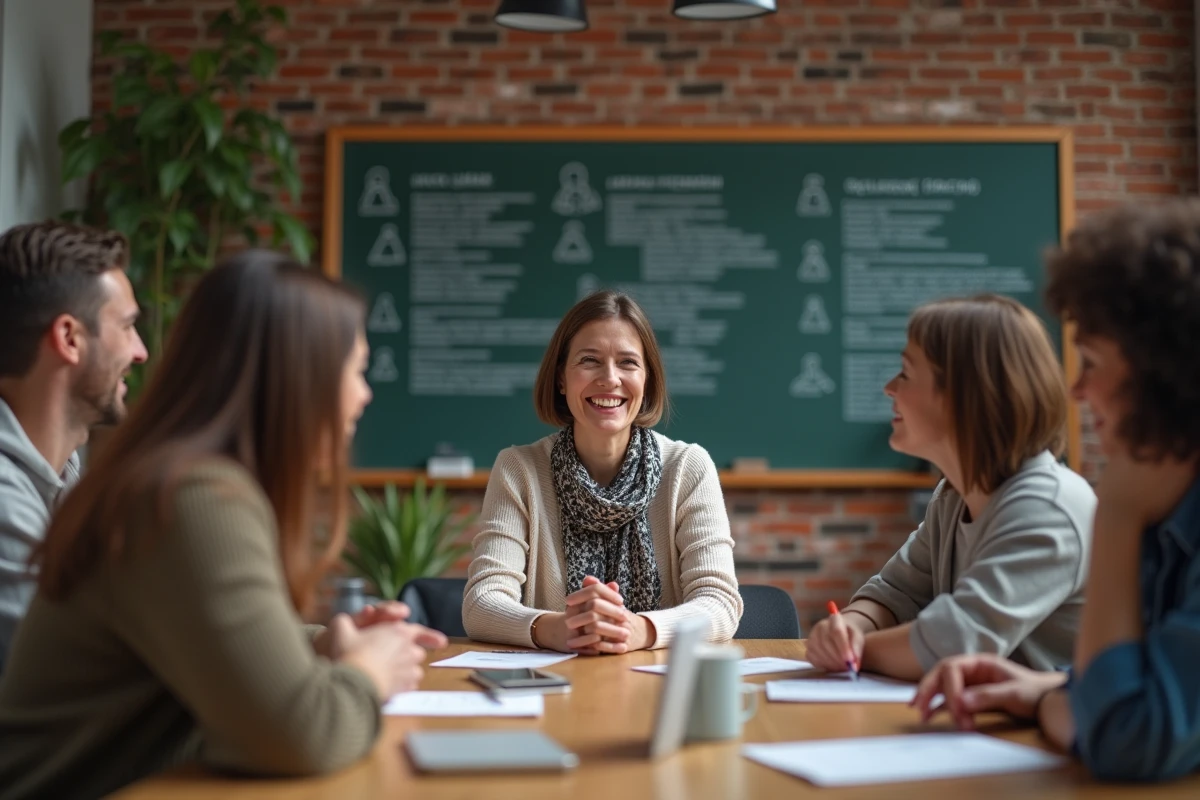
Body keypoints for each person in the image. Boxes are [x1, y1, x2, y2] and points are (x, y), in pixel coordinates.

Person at [0, 250, 447, 799]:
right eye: (355, 369)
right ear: (296, 375)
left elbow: (203, 638)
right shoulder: (193, 496)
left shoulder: (179, 479)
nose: (365, 393)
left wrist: (326, 644)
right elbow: (304, 736)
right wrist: (369, 673)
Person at [913, 200, 1200, 783]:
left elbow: (1126, 740)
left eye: (1092, 362)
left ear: (1167, 377)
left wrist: (1116, 514)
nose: (1077, 389)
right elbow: (1147, 686)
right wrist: (1045, 689)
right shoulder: (1172, 508)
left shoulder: (1127, 504)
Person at [806, 294, 1096, 681]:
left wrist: (855, 651)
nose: (889, 388)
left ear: (964, 397)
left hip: (1041, 739)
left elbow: (955, 641)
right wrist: (851, 627)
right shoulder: (955, 496)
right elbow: (894, 593)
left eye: (906, 374)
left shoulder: (1049, 508)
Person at [463, 290, 742, 653]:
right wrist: (557, 629)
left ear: (647, 380)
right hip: (553, 692)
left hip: (660, 688)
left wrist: (637, 630)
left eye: (628, 363)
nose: (610, 379)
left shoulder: (688, 468)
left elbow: (720, 602)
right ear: (561, 379)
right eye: (589, 361)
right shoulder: (519, 470)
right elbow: (481, 603)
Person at [0, 221, 148, 671]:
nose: (141, 351)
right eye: (127, 326)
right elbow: (86, 675)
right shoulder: (5, 501)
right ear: (69, 339)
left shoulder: (62, 476)